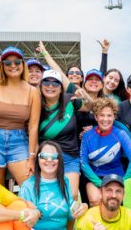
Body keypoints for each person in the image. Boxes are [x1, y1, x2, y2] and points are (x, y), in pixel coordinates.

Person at [0, 46, 41, 186]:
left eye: (17, 62)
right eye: (8, 63)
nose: (13, 66)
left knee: (30, 185)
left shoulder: (33, 92)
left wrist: (31, 157)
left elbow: (33, 126)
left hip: (19, 142)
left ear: (23, 64)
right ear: (2, 66)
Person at [37, 69, 91, 201]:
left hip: (69, 157)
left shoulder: (69, 100)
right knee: (47, 198)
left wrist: (85, 97)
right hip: (46, 157)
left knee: (71, 196)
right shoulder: (36, 103)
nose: (51, 86)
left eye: (55, 83)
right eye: (47, 82)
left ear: (61, 88)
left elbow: (89, 107)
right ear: (40, 85)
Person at [80, 98, 131, 206]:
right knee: (96, 199)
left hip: (116, 176)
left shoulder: (120, 134)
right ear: (96, 117)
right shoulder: (87, 136)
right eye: (101, 115)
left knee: (114, 201)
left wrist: (124, 180)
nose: (105, 119)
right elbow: (83, 163)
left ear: (114, 117)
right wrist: (99, 183)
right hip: (95, 176)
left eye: (109, 115)